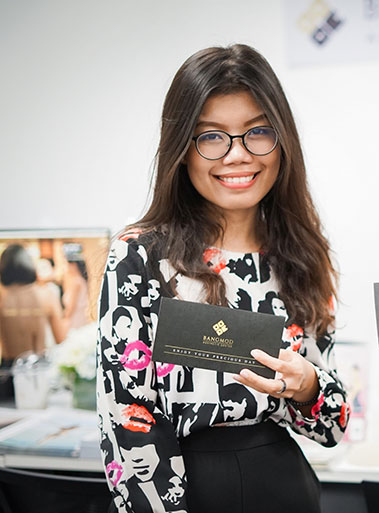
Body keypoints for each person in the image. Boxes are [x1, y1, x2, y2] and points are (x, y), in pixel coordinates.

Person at [96, 44, 349, 513]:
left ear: (283, 141)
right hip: (180, 487)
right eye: (211, 136)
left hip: (284, 485)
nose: (237, 155)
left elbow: (333, 425)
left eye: (258, 132)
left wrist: (307, 385)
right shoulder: (141, 254)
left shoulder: (301, 257)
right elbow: (126, 417)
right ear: (181, 150)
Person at [0, 244, 69, 399]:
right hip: (39, 370)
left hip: (7, 373)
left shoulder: (2, 297)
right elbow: (61, 339)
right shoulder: (47, 294)